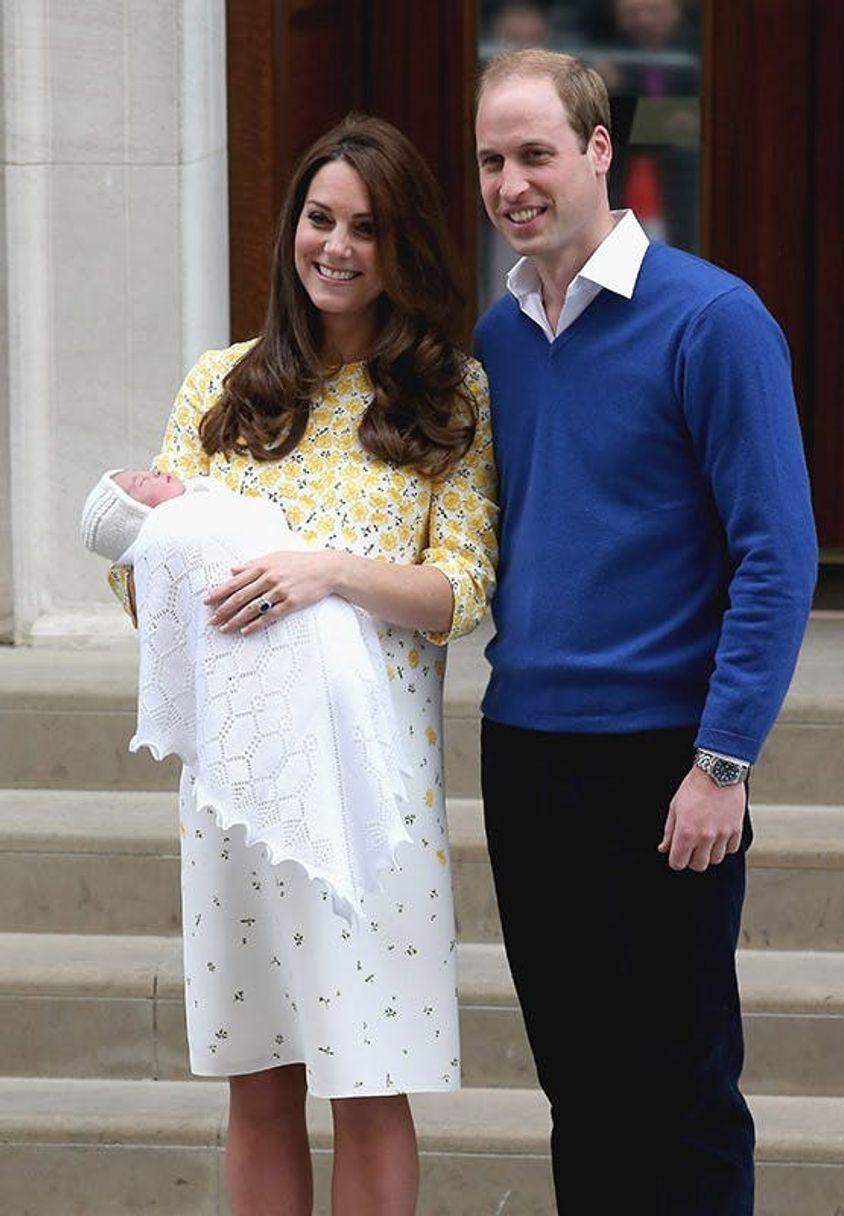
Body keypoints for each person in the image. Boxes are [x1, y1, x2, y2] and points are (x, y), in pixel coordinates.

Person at [93, 114, 497, 1216]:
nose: (336, 246)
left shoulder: (447, 395)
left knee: (369, 1082)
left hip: (375, 796)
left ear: (400, 245)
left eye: (365, 228)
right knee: (260, 1080)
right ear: (290, 231)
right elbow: (145, 589)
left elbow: (461, 591)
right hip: (239, 785)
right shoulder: (220, 388)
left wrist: (326, 572)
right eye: (320, 219)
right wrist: (148, 539)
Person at [472, 48, 817, 1214]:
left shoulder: (712, 320)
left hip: (662, 763)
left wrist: (721, 762)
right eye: (490, 159)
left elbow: (777, 555)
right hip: (523, 755)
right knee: (579, 1085)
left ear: (599, 151)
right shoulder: (500, 340)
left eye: (534, 153)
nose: (510, 182)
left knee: (680, 1089)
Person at [79, 467, 414, 923]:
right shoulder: (178, 514)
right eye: (138, 484)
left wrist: (331, 570)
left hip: (373, 682)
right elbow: (141, 573)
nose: (154, 470)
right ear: (139, 511)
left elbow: (466, 585)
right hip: (256, 714)